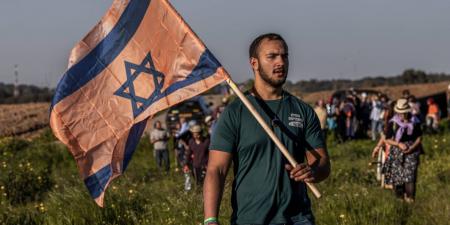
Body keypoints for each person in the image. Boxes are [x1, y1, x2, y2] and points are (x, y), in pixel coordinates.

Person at [203, 33, 330, 225]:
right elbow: (216, 170)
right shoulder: (235, 112)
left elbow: (323, 164)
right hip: (249, 219)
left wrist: (311, 171)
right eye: (272, 56)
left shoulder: (302, 111)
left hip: (297, 219)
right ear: (254, 63)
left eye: (284, 56)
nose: (280, 62)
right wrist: (210, 219)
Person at [379, 99, 422, 203]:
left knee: (410, 176)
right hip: (397, 151)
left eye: (403, 112)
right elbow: (387, 138)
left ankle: (410, 199)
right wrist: (398, 144)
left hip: (412, 152)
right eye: (399, 112)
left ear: (407, 111)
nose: (401, 114)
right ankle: (400, 200)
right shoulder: (393, 123)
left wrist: (412, 148)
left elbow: (419, 137)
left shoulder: (415, 121)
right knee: (397, 177)